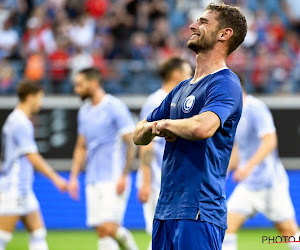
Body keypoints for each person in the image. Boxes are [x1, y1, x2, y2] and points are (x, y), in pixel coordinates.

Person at [133, 3, 247, 249]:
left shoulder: (226, 83)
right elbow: (138, 134)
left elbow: (203, 127)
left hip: (199, 209)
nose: (193, 25)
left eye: (204, 22)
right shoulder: (181, 88)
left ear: (224, 34)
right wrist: (155, 128)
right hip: (165, 210)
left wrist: (164, 124)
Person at [223, 74, 300, 250]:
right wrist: (223, 174)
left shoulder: (256, 108)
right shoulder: (233, 114)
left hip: (270, 182)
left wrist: (248, 167)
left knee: (289, 232)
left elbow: (270, 141)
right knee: (226, 226)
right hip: (249, 186)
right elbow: (237, 150)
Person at [68, 67, 138, 250]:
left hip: (113, 177)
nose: (76, 89)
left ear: (93, 83)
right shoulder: (84, 112)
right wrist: (74, 177)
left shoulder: (114, 107)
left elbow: (131, 142)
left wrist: (124, 174)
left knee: (108, 227)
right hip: (92, 179)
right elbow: (81, 147)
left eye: (80, 85)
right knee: (101, 230)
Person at [0, 80, 68, 250]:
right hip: (14, 188)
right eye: (40, 98)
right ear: (30, 97)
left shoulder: (16, 119)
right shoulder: (20, 122)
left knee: (38, 234)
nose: (41, 102)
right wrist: (56, 178)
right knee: (2, 237)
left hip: (23, 188)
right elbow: (32, 156)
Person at [137, 57, 192, 249]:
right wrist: (145, 181)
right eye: (187, 73)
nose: (191, 77)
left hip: (174, 180)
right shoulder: (156, 100)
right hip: (156, 181)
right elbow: (145, 144)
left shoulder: (182, 100)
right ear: (176, 74)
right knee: (159, 236)